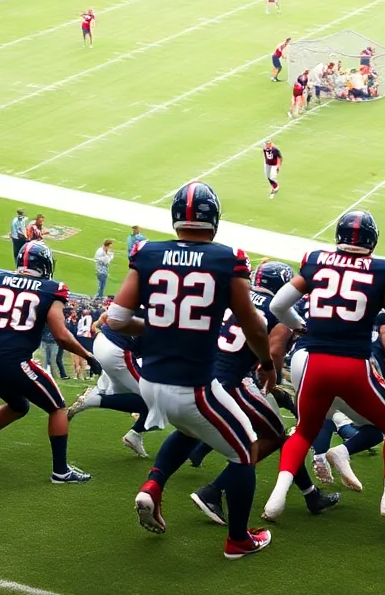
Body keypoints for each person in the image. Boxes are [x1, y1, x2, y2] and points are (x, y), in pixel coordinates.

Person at [105, 182, 274, 558]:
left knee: (187, 429)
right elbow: (255, 326)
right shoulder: (226, 258)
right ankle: (238, 540)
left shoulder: (148, 252)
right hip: (193, 386)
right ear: (213, 218)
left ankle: (153, 486)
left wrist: (161, 327)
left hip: (151, 382)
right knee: (245, 451)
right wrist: (265, 362)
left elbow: (115, 318)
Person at [263, 210, 385, 528]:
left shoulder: (316, 260)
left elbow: (278, 306)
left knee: (305, 431)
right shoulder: (382, 270)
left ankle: (277, 497)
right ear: (372, 239)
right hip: (354, 365)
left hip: (313, 362)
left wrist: (301, 325)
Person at [190, 260, 340, 526]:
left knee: (275, 431)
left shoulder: (239, 296)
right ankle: (213, 490)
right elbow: (275, 349)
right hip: (234, 381)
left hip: (207, 371)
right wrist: (271, 378)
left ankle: (311, 495)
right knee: (275, 435)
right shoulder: (276, 309)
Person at [0, 242, 95, 483]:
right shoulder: (52, 289)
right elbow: (61, 335)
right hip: (15, 362)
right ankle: (60, 471)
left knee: (19, 405)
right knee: (58, 407)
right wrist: (89, 356)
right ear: (46, 264)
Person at [69, 311, 152, 457]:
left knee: (117, 392)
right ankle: (93, 400)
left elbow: (106, 316)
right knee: (156, 400)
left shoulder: (148, 300)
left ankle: (135, 434)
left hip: (102, 340)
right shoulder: (168, 314)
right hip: (117, 349)